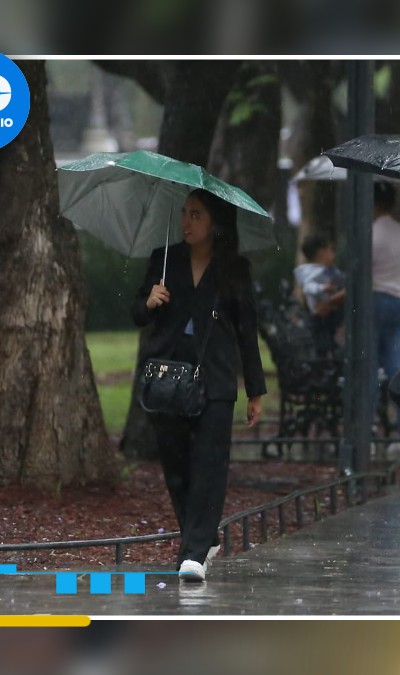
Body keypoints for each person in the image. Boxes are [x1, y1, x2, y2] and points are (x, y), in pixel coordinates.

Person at [132, 188, 266, 582]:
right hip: (168, 380)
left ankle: (193, 553)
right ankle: (201, 539)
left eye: (197, 215)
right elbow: (137, 313)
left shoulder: (234, 270)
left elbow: (247, 331)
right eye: (185, 214)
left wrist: (254, 390)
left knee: (210, 465)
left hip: (217, 381)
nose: (187, 222)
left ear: (215, 224)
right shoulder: (165, 259)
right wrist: (149, 300)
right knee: (177, 467)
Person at [371, 182, 400, 445]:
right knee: (396, 367)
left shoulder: (370, 233)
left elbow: (363, 273)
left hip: (374, 299)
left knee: (367, 367)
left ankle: (367, 427)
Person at [294, 233, 346, 357]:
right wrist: (322, 288)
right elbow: (308, 287)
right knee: (324, 347)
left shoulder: (330, 270)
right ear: (321, 252)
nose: (333, 254)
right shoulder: (310, 272)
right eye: (330, 250)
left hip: (331, 313)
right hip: (321, 316)